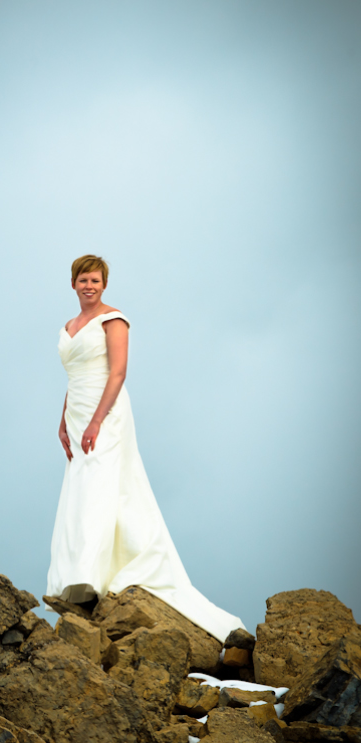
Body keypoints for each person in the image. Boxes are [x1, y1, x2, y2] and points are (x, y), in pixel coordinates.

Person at [46, 255, 247, 642]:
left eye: (96, 280)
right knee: (83, 487)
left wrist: (96, 420)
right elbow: (73, 377)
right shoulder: (69, 326)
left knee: (104, 485)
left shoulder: (114, 319)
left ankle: (96, 575)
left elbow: (118, 372)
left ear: (104, 285)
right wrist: (63, 419)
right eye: (83, 280)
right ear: (72, 284)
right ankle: (82, 576)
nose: (89, 286)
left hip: (107, 412)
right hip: (78, 410)